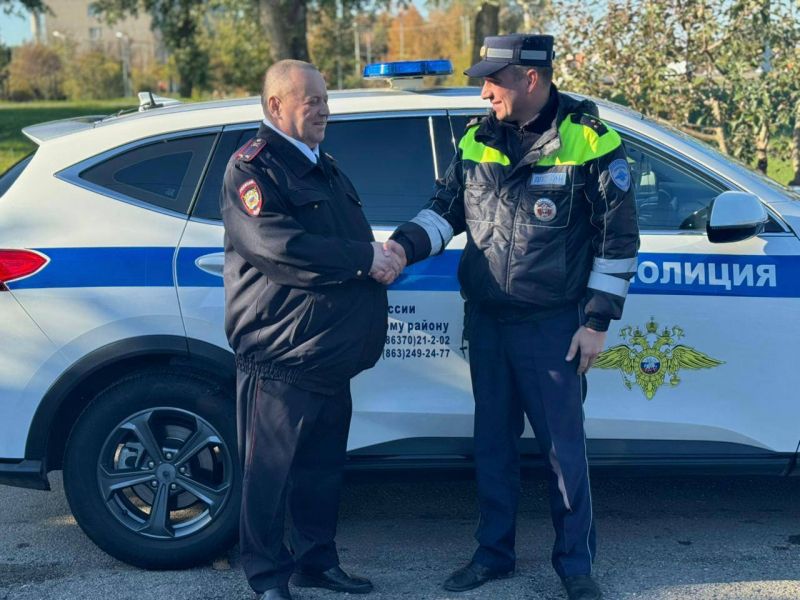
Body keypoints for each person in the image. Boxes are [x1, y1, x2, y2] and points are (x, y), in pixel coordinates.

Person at [386, 34, 640, 600]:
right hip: (488, 322)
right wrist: (401, 247)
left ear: (530, 78)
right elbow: (444, 210)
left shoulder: (590, 140)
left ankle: (575, 566)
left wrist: (597, 322)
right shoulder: (477, 139)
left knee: (562, 453)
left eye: (493, 80)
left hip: (553, 326)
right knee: (493, 447)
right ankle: (492, 554)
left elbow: (617, 238)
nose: (484, 92)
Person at [220, 59, 402, 600]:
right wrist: (365, 259)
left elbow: (341, 240)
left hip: (328, 353)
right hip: (281, 354)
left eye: (326, 99)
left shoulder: (321, 164)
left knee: (321, 473)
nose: (325, 110)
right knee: (269, 477)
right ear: (277, 105)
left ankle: (316, 563)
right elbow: (280, 247)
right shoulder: (252, 169)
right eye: (313, 101)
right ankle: (267, 578)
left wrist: (378, 256)